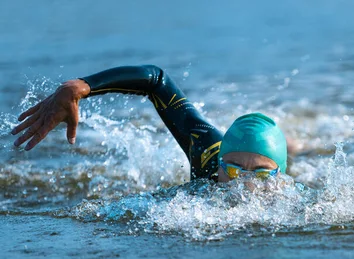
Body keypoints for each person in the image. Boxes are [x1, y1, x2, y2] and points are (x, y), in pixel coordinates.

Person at [10, 65, 288, 183]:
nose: (246, 186)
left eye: (262, 175)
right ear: (219, 165)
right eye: (235, 171)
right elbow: (156, 81)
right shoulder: (208, 152)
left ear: (281, 178)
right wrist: (83, 86)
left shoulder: (304, 204)